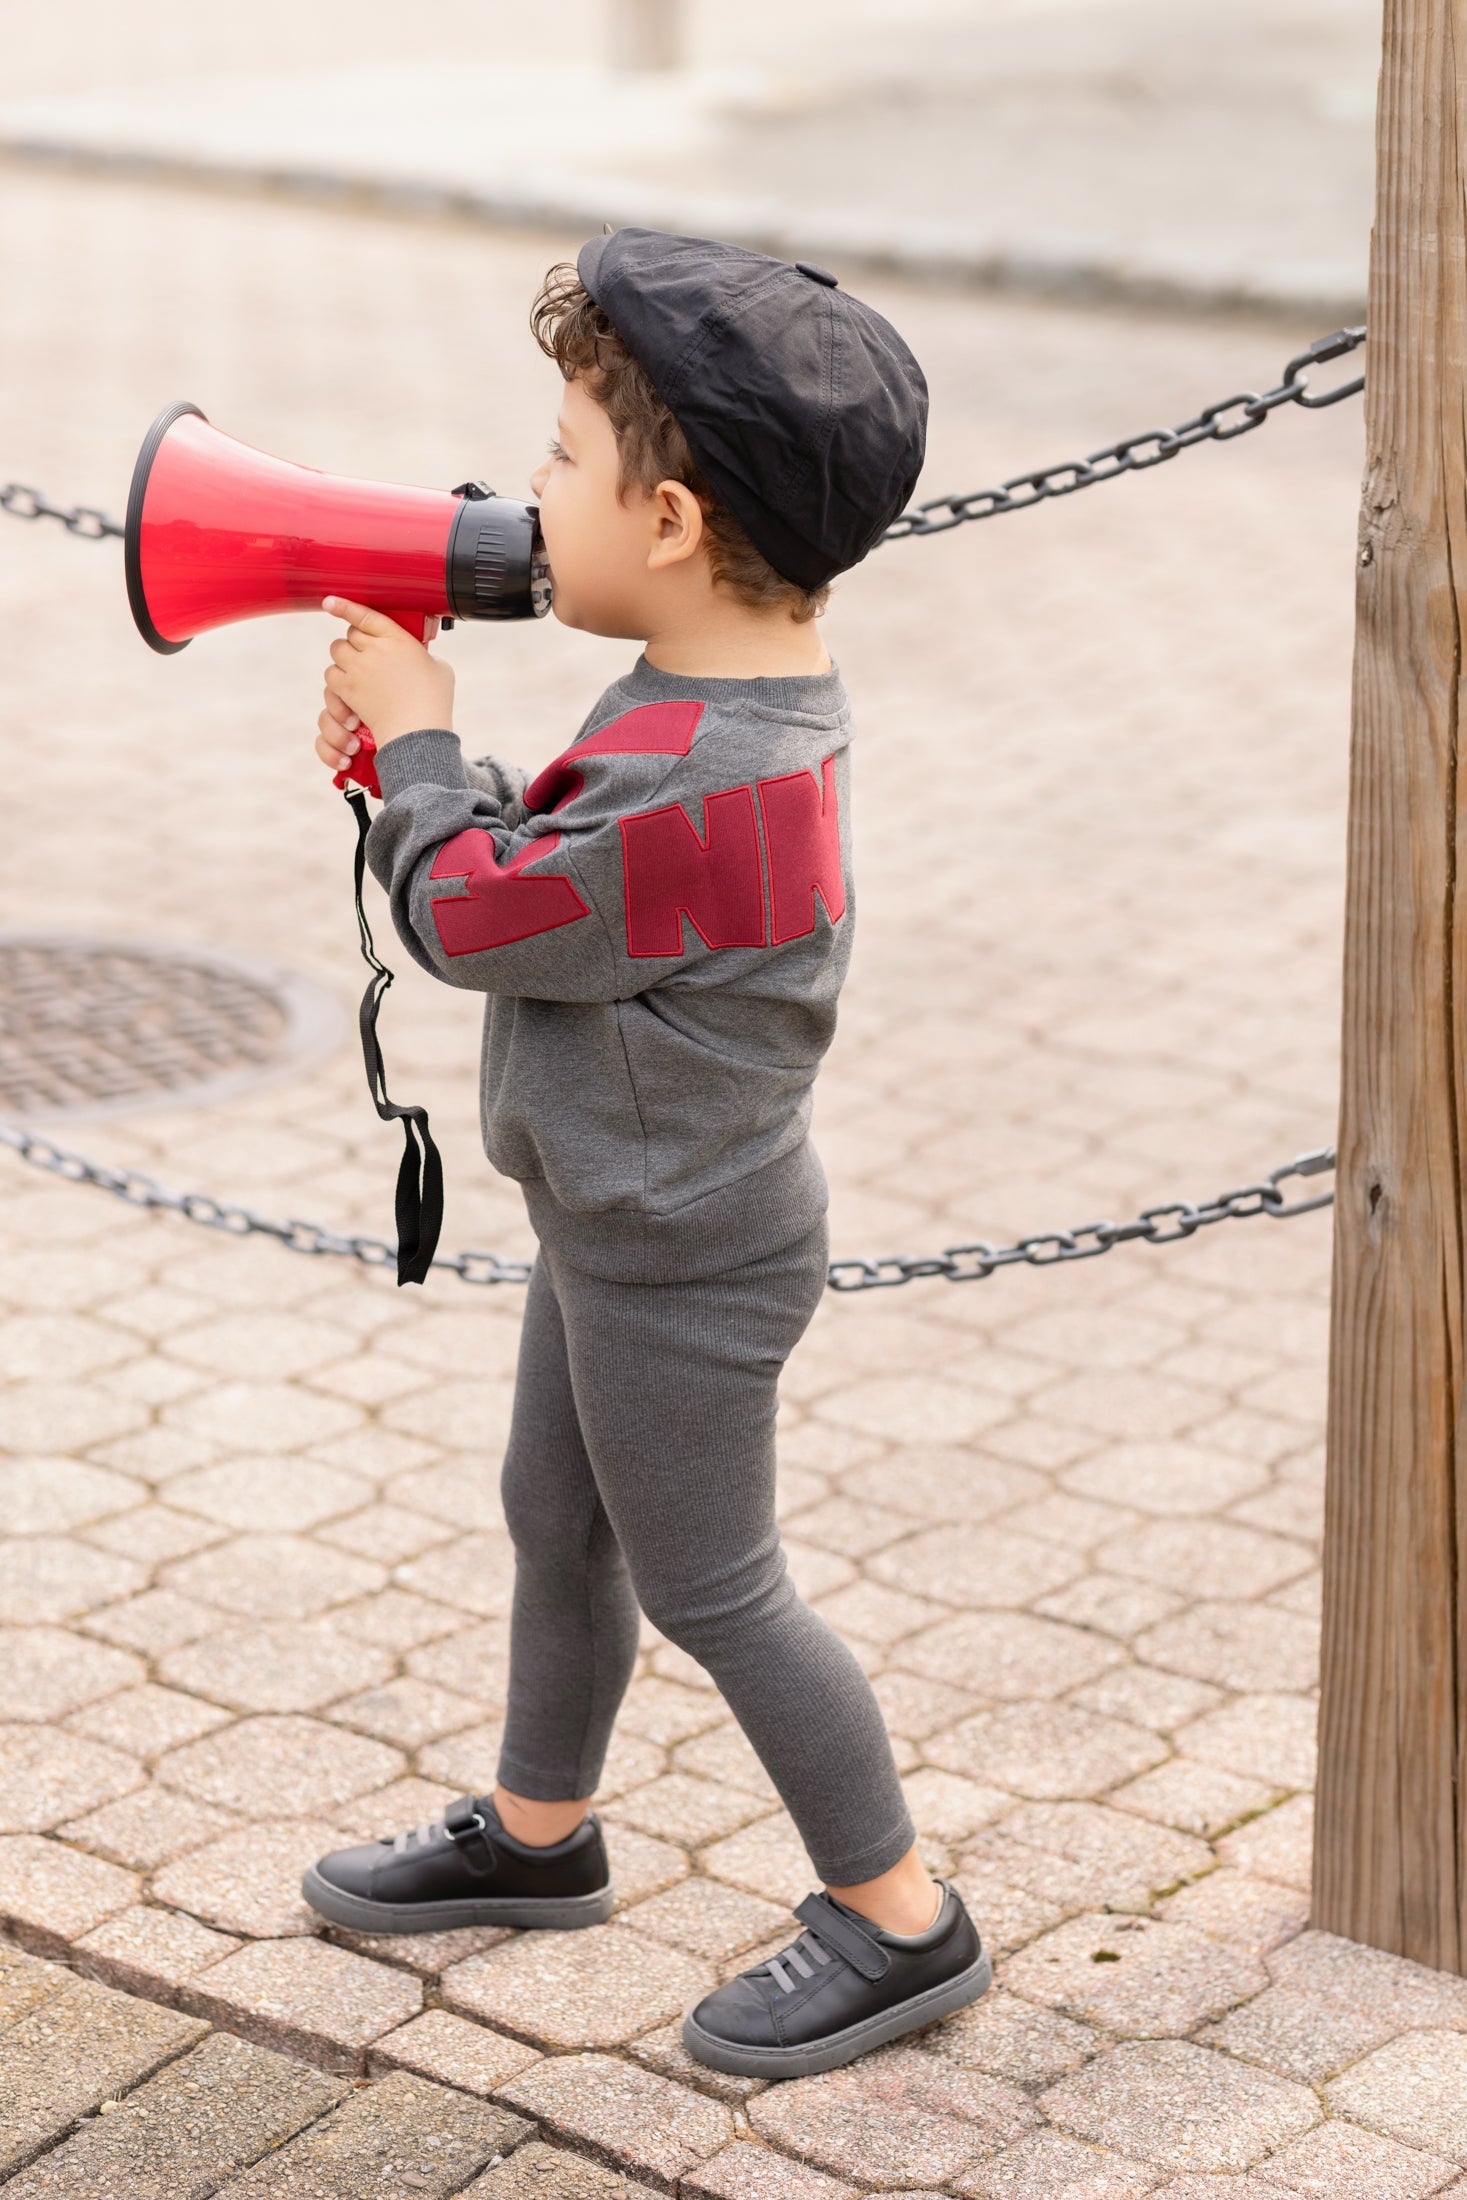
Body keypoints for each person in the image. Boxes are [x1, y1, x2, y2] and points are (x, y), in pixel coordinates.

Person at [300, 228, 990, 2078]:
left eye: (556, 460)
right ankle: (539, 1837)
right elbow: (576, 882)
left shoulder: (711, 770)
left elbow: (480, 922)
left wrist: (428, 754)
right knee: (558, 1517)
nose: (525, 493)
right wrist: (419, 779)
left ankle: (898, 1914)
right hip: (631, 1221)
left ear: (670, 521)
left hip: (682, 1253)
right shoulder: (724, 714)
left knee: (714, 1585)